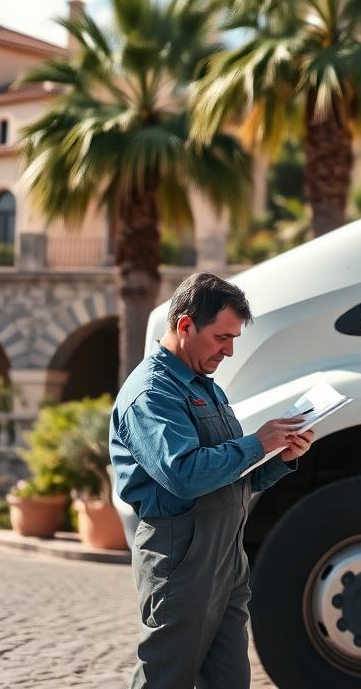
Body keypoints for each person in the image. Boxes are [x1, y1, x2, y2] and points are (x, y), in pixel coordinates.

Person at [110, 272, 313, 688]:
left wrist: (280, 456)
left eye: (233, 338)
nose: (230, 350)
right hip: (182, 553)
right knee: (166, 677)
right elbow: (183, 474)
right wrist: (257, 444)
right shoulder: (151, 394)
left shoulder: (205, 386)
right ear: (185, 326)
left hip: (226, 554)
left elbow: (229, 477)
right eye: (222, 337)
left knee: (230, 679)